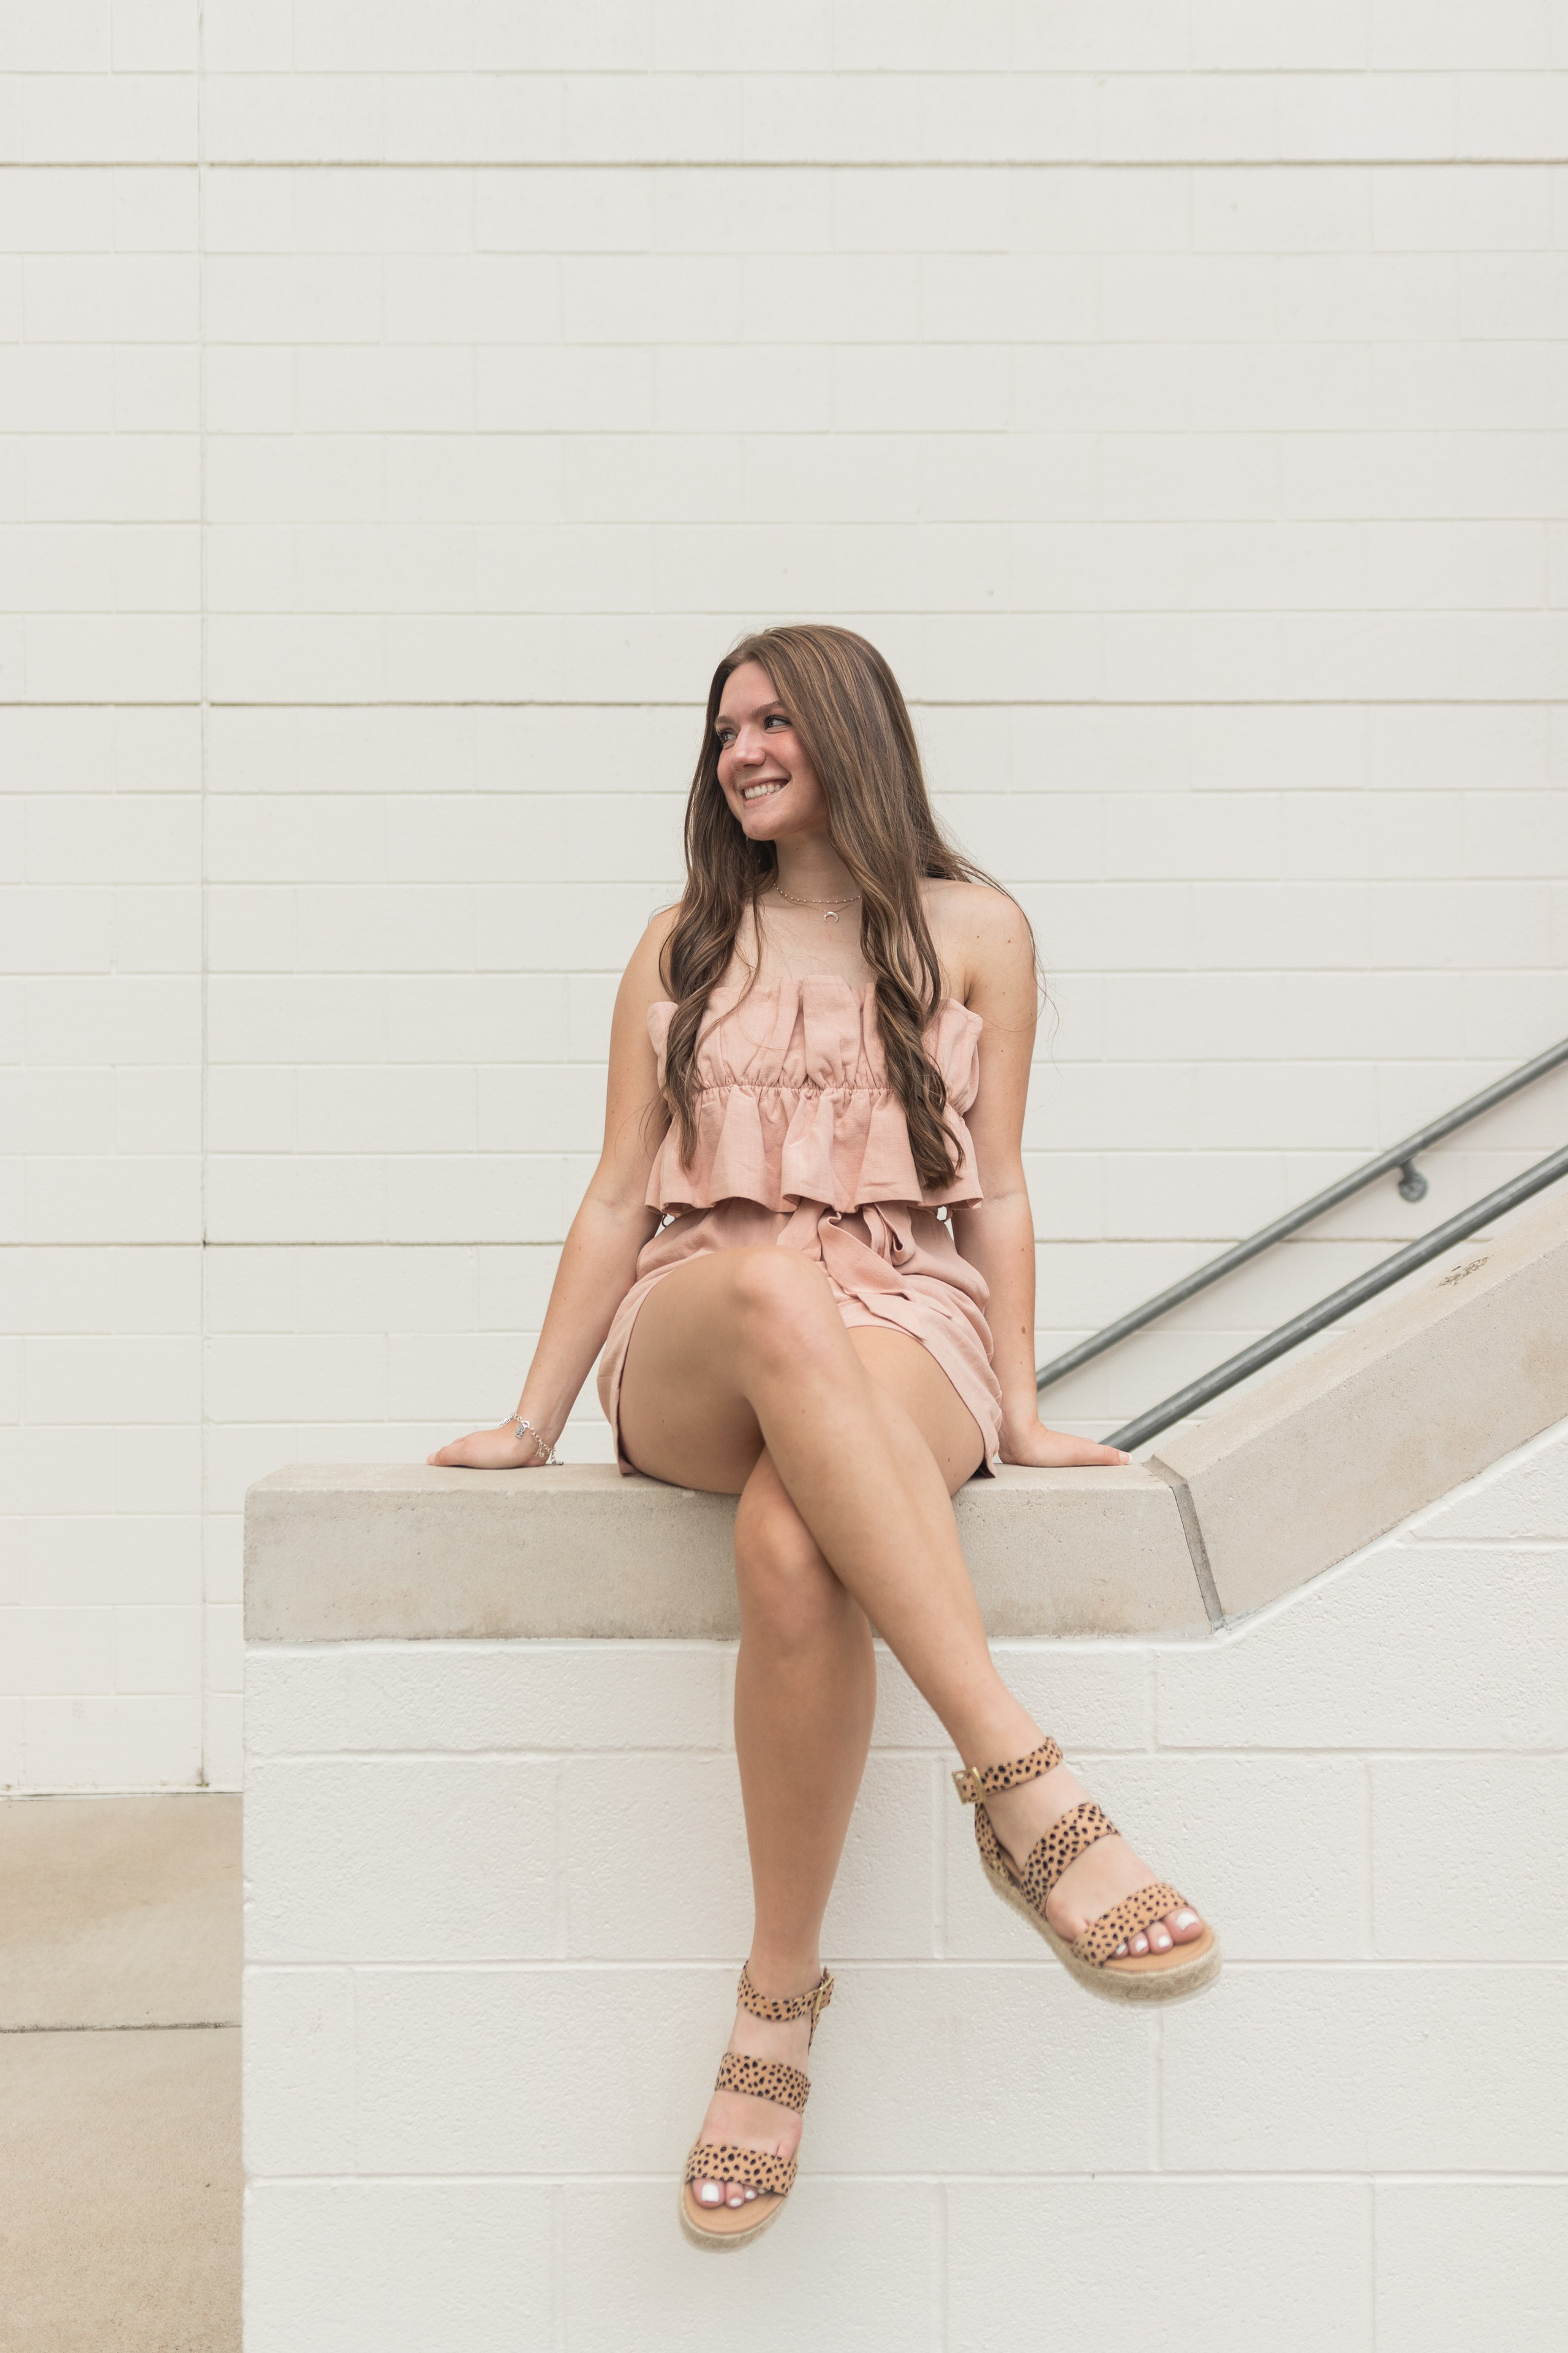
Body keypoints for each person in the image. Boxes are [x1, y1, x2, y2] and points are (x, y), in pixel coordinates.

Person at [430, 624, 1217, 2250]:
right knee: (775, 1284)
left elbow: (991, 1186)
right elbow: (607, 1190)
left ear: (855, 728)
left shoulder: (979, 929)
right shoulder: (679, 945)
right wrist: (528, 1415)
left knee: (797, 1546)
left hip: (904, 1314)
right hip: (704, 1322)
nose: (744, 749)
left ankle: (774, 2003)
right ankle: (1021, 1775)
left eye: (777, 718)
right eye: (727, 727)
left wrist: (1022, 1402)